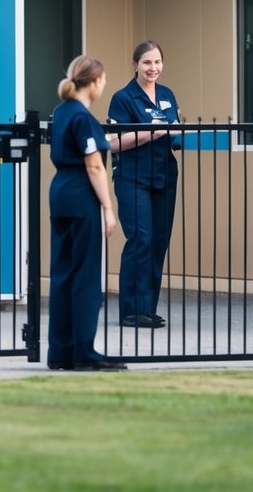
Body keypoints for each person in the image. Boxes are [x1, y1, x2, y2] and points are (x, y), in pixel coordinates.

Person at [47, 55, 126, 371]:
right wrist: (107, 207)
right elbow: (93, 165)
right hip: (82, 195)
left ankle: (60, 351)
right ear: (94, 82)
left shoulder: (61, 112)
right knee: (86, 275)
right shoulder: (82, 116)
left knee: (64, 272)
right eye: (104, 80)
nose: (104, 85)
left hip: (60, 192)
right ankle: (84, 351)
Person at [107, 40, 179, 329]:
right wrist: (152, 133)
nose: (153, 68)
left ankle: (147, 308)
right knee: (141, 239)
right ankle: (131, 310)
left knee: (158, 242)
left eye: (158, 62)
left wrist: (180, 136)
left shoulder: (167, 94)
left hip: (164, 175)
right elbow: (113, 143)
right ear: (135, 65)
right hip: (133, 177)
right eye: (147, 62)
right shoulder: (123, 98)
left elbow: (175, 131)